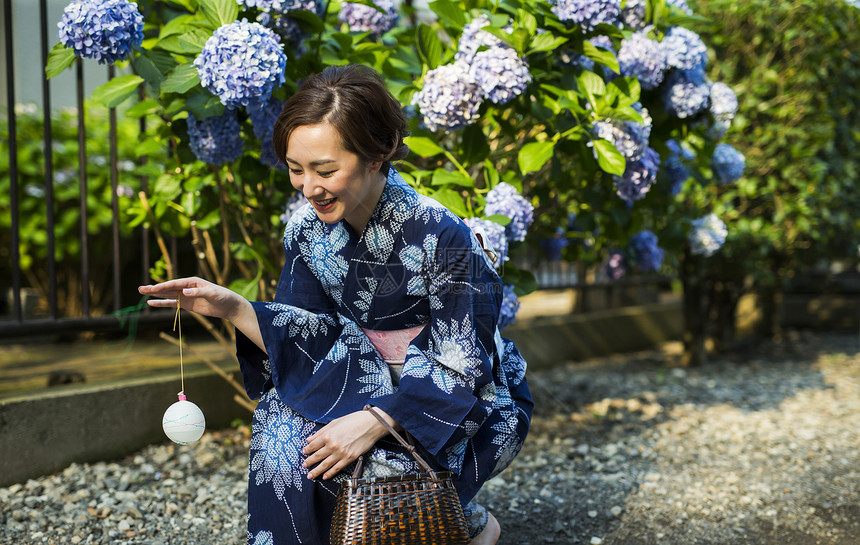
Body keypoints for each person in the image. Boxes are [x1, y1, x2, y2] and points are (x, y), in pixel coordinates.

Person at [139, 64, 533, 545]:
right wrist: (234, 308)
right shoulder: (307, 232)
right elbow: (308, 337)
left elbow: (464, 363)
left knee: (373, 465)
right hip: (353, 378)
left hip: (459, 397)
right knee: (282, 433)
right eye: (295, 169)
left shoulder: (444, 235)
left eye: (326, 170)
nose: (309, 188)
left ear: (377, 154)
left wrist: (376, 420)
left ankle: (466, 524)